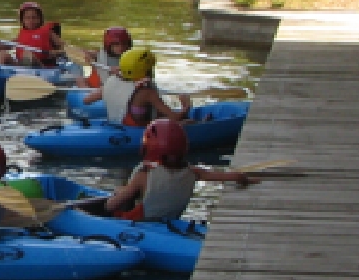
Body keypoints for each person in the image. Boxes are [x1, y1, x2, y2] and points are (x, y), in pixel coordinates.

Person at [102, 119, 256, 221]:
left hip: (141, 224)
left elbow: (110, 206)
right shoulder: (193, 172)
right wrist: (245, 179)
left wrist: (115, 196)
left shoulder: (143, 175)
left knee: (115, 203)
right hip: (171, 221)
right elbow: (233, 176)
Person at [81, 47, 192, 126]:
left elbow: (86, 100)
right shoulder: (147, 92)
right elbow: (175, 118)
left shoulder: (111, 80)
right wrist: (186, 106)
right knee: (188, 122)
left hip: (115, 125)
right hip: (138, 130)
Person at [0, 2, 63, 67]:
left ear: (40, 19)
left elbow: (65, 49)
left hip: (43, 68)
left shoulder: (49, 33)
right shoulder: (20, 38)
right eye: (27, 18)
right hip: (21, 67)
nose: (31, 21)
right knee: (3, 54)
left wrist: (56, 52)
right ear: (22, 20)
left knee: (27, 54)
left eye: (34, 17)